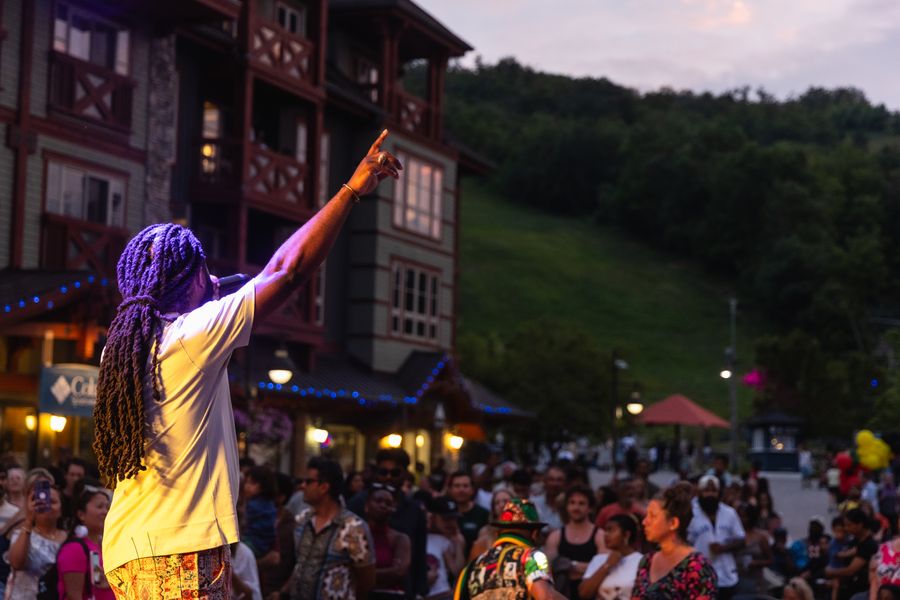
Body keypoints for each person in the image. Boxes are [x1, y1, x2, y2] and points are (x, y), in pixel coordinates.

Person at [95, 130, 399, 597]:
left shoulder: (126, 349)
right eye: (204, 270)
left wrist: (206, 291)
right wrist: (352, 190)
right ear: (193, 277)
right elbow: (286, 272)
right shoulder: (190, 339)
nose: (215, 277)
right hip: (180, 548)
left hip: (130, 548)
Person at [277, 457, 375, 600]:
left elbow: (367, 580)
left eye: (309, 481)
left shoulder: (353, 528)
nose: (303, 486)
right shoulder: (302, 521)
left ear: (324, 487)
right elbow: (301, 566)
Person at [348, 448, 428, 597]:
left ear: (404, 474)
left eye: (395, 473)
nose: (388, 477)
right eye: (384, 472)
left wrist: (420, 591)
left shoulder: (414, 509)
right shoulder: (358, 503)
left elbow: (419, 553)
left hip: (401, 590)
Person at [454, 498, 566, 600]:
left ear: (498, 532)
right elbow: (545, 597)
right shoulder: (532, 557)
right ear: (535, 534)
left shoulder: (470, 568)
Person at [632, 482, 718, 598]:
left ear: (673, 523)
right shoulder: (647, 561)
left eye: (652, 516)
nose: (645, 522)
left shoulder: (697, 567)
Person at [688, 475, 745, 599]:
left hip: (726, 576)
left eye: (713, 491)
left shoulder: (729, 513)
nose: (710, 495)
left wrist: (724, 548)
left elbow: (741, 540)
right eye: (706, 491)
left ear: (719, 493)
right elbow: (686, 543)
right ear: (699, 493)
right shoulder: (691, 514)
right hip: (700, 576)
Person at [6, 482, 67, 599]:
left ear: (61, 510)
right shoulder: (22, 535)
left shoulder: (70, 539)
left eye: (52, 501)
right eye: (38, 500)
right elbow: (16, 564)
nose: (45, 505)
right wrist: (28, 520)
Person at [545, 485, 606, 598]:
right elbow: (549, 570)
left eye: (581, 503)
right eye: (572, 503)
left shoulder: (600, 535)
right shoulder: (555, 536)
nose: (576, 507)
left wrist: (568, 565)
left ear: (590, 508)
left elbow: (603, 569)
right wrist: (585, 567)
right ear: (567, 506)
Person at [57, 481, 114, 600]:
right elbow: (74, 596)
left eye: (107, 507)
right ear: (81, 514)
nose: (105, 512)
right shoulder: (74, 549)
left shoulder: (105, 545)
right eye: (99, 507)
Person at [578, 514, 642, 600]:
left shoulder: (641, 561)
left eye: (611, 530)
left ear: (626, 535)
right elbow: (583, 594)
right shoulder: (599, 559)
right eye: (605, 530)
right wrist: (607, 565)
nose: (606, 534)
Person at [366, 483, 411, 598]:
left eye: (388, 503)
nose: (383, 505)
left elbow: (399, 572)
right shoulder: (356, 535)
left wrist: (362, 573)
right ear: (366, 506)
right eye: (378, 501)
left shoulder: (400, 538)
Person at [825, 508, 877, 600]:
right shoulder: (854, 540)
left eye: (849, 525)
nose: (846, 528)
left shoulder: (868, 545)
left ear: (860, 525)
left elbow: (851, 570)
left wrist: (831, 573)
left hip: (859, 588)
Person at [425, 495, 465, 600]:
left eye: (454, 518)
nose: (451, 523)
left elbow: (457, 571)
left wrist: (458, 544)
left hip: (443, 594)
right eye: (446, 519)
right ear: (432, 516)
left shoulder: (447, 541)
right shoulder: (418, 536)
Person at [446, 472, 490, 558]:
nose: (461, 490)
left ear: (472, 490)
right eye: (457, 486)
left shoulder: (483, 514)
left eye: (465, 486)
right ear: (450, 489)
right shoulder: (443, 514)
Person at [241, 466, 277, 559]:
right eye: (247, 482)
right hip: (263, 545)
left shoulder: (255, 505)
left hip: (254, 543)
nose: (247, 486)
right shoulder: (270, 504)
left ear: (263, 486)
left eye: (252, 483)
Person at [736, 502, 772, 594]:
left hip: (756, 581)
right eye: (739, 516)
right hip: (737, 580)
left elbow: (770, 560)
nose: (742, 519)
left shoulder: (761, 537)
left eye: (745, 516)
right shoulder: (734, 535)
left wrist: (756, 563)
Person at [469, 488, 513, 560]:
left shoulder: (526, 530)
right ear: (493, 509)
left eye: (506, 501)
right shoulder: (485, 533)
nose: (501, 505)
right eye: (497, 503)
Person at [532, 466, 566, 531]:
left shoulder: (571, 505)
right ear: (544, 482)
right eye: (551, 479)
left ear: (565, 483)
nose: (555, 484)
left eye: (559, 480)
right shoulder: (534, 503)